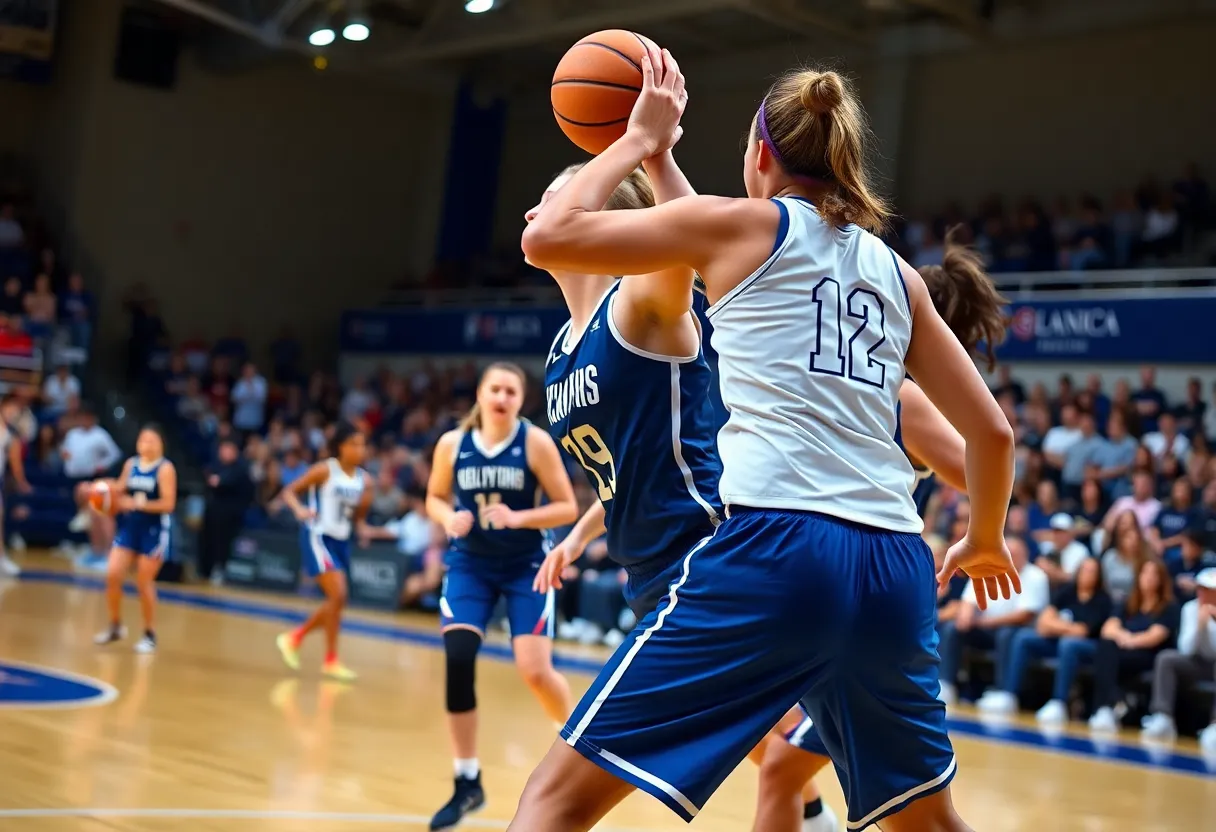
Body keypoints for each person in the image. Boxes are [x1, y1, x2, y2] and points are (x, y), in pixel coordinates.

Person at [514, 47, 1017, 832]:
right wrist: (984, 538)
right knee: (924, 822)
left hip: (778, 551)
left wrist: (639, 138)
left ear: (757, 156)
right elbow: (993, 433)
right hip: (894, 567)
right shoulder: (897, 273)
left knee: (552, 803)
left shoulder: (741, 227)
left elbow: (548, 237)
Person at [754, 234, 1013, 831]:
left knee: (910, 811)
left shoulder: (903, 396)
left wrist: (982, 533)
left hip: (870, 584)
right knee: (785, 768)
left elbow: (986, 460)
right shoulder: (869, 382)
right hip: (844, 579)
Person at [425, 362, 579, 831]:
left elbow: (567, 506)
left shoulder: (534, 442)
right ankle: (467, 780)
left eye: (511, 391)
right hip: (470, 564)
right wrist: (447, 519)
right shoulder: (452, 444)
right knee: (458, 656)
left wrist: (518, 518)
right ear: (480, 393)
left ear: (521, 400)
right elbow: (434, 497)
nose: (502, 397)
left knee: (535, 671)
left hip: (524, 565)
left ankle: (579, 746)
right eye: (495, 389)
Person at [274, 420, 371, 682]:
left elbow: (359, 518)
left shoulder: (365, 481)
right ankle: (296, 638)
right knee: (338, 595)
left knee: (337, 602)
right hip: (318, 536)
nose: (359, 449)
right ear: (340, 446)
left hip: (342, 541)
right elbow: (289, 492)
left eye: (362, 445)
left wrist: (364, 530)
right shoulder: (324, 470)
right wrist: (299, 510)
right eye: (353, 444)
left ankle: (329, 659)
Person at [93, 425, 177, 654]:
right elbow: (120, 489)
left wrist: (139, 504)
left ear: (160, 444)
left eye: (151, 440)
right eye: (143, 440)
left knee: (143, 581)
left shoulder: (165, 468)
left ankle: (149, 634)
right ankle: (115, 626)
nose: (146, 444)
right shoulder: (131, 464)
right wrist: (104, 490)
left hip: (154, 529)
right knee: (113, 574)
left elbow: (168, 504)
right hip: (131, 527)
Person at [0, 394, 32, 577]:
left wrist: (21, 481)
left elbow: (15, 462)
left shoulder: (11, 434)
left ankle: (1, 560)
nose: (13, 413)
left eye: (16, 410)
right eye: (11, 408)